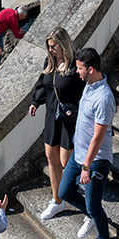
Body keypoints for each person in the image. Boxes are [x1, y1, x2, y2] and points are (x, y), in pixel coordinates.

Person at [54, 47, 118, 239]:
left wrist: (86, 166)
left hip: (95, 161)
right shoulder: (89, 86)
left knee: (93, 204)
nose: (77, 72)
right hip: (79, 154)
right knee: (65, 191)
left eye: (80, 68)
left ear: (91, 69)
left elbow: (98, 137)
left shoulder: (104, 97)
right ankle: (90, 217)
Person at [30, 29, 83, 216]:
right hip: (52, 117)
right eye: (49, 47)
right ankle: (57, 200)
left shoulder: (76, 66)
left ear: (63, 45)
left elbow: (86, 90)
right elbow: (43, 84)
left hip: (69, 118)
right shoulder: (50, 63)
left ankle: (79, 191)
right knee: (51, 157)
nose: (50, 50)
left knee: (65, 160)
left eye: (53, 46)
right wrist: (36, 102)